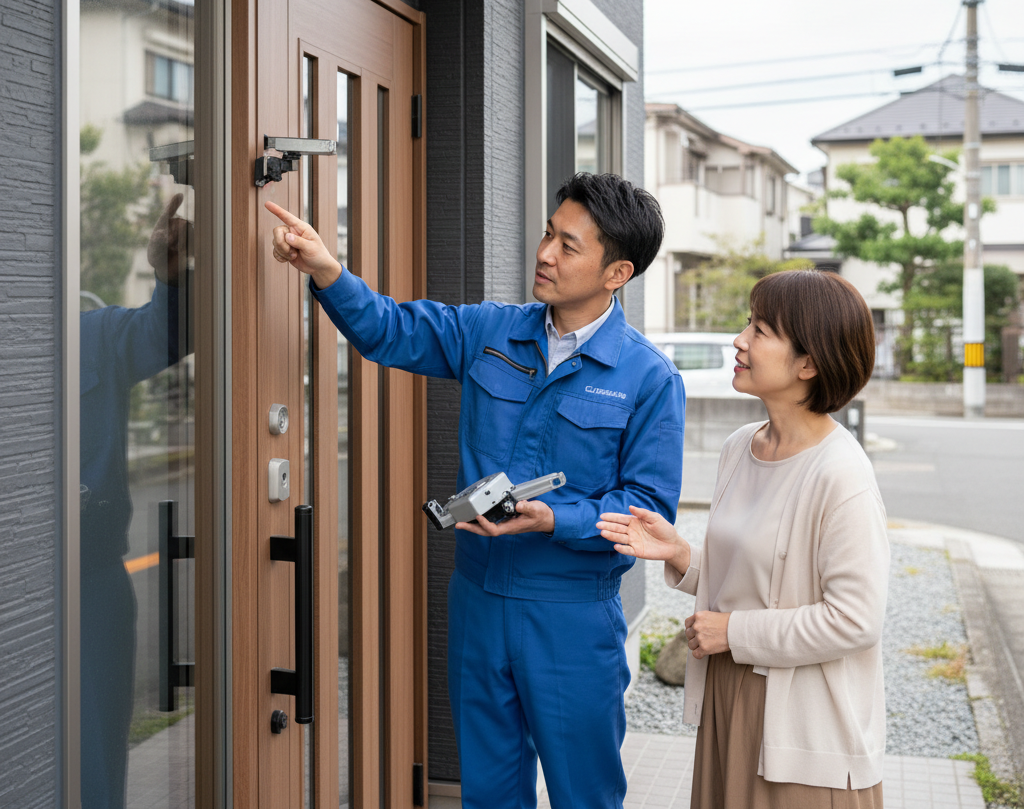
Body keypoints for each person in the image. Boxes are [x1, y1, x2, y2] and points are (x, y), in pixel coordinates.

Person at [266, 172, 684, 809]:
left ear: (616, 272)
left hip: (571, 613)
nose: (545, 253)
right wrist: (326, 269)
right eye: (549, 233)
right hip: (480, 600)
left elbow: (647, 512)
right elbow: (388, 329)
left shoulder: (648, 378)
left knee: (584, 795)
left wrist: (554, 519)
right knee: (487, 792)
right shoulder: (490, 330)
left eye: (568, 246)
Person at [599, 270, 888, 809]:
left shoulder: (842, 474)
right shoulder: (740, 446)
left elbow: (856, 619)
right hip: (729, 698)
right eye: (747, 324)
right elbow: (765, 577)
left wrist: (734, 631)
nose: (740, 340)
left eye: (760, 330)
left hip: (805, 727)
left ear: (809, 363)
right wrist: (681, 554)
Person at [80, 194, 193, 809]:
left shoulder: (92, 335)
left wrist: (169, 276)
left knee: (95, 762)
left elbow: (170, 332)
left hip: (92, 586)